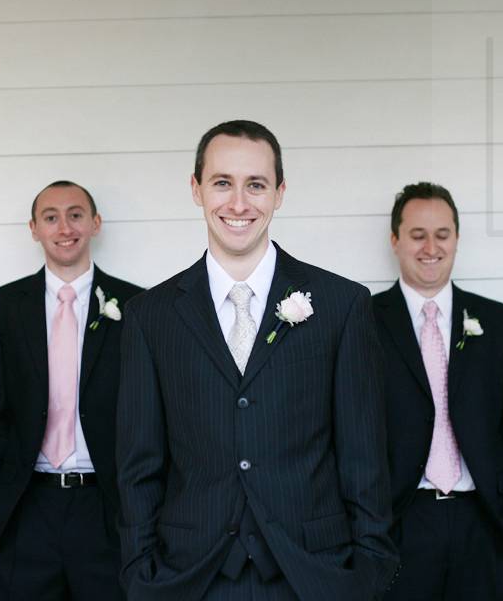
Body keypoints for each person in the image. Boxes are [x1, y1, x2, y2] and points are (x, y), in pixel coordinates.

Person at [116, 120, 399, 600]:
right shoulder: (150, 316)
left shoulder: (341, 305)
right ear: (196, 189)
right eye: (222, 183)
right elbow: (139, 465)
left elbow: (364, 458)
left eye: (256, 185)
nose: (239, 203)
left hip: (314, 575)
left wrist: (367, 572)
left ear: (280, 192)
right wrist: (142, 575)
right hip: (189, 576)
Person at [0, 181, 141, 600]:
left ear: (95, 223)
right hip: (27, 506)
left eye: (76, 214)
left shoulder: (138, 307)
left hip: (105, 509)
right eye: (51, 217)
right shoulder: (0, 309)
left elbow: (147, 417)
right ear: (34, 228)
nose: (64, 227)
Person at [372, 182, 503, 600]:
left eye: (442, 234)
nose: (431, 247)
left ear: (457, 239)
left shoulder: (502, 324)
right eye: (417, 235)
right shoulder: (362, 322)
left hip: (484, 522)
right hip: (399, 523)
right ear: (395, 240)